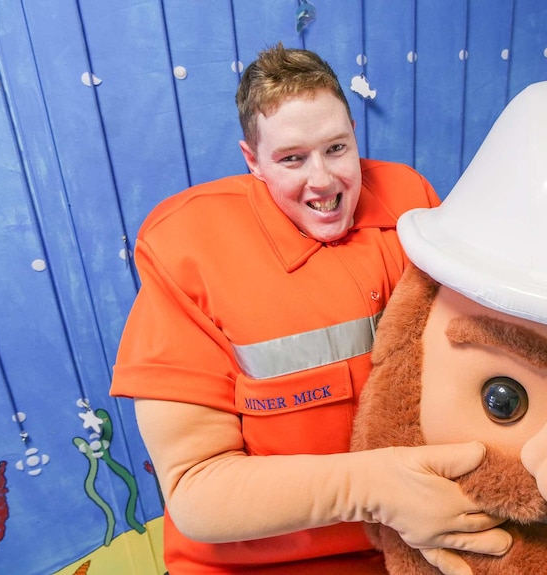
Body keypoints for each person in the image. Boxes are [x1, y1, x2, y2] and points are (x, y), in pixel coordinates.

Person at [110, 43, 512, 575]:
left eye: (337, 148)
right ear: (252, 160)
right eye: (292, 158)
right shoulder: (192, 252)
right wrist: (373, 487)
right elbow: (196, 491)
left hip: (415, 545)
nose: (322, 180)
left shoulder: (409, 202)